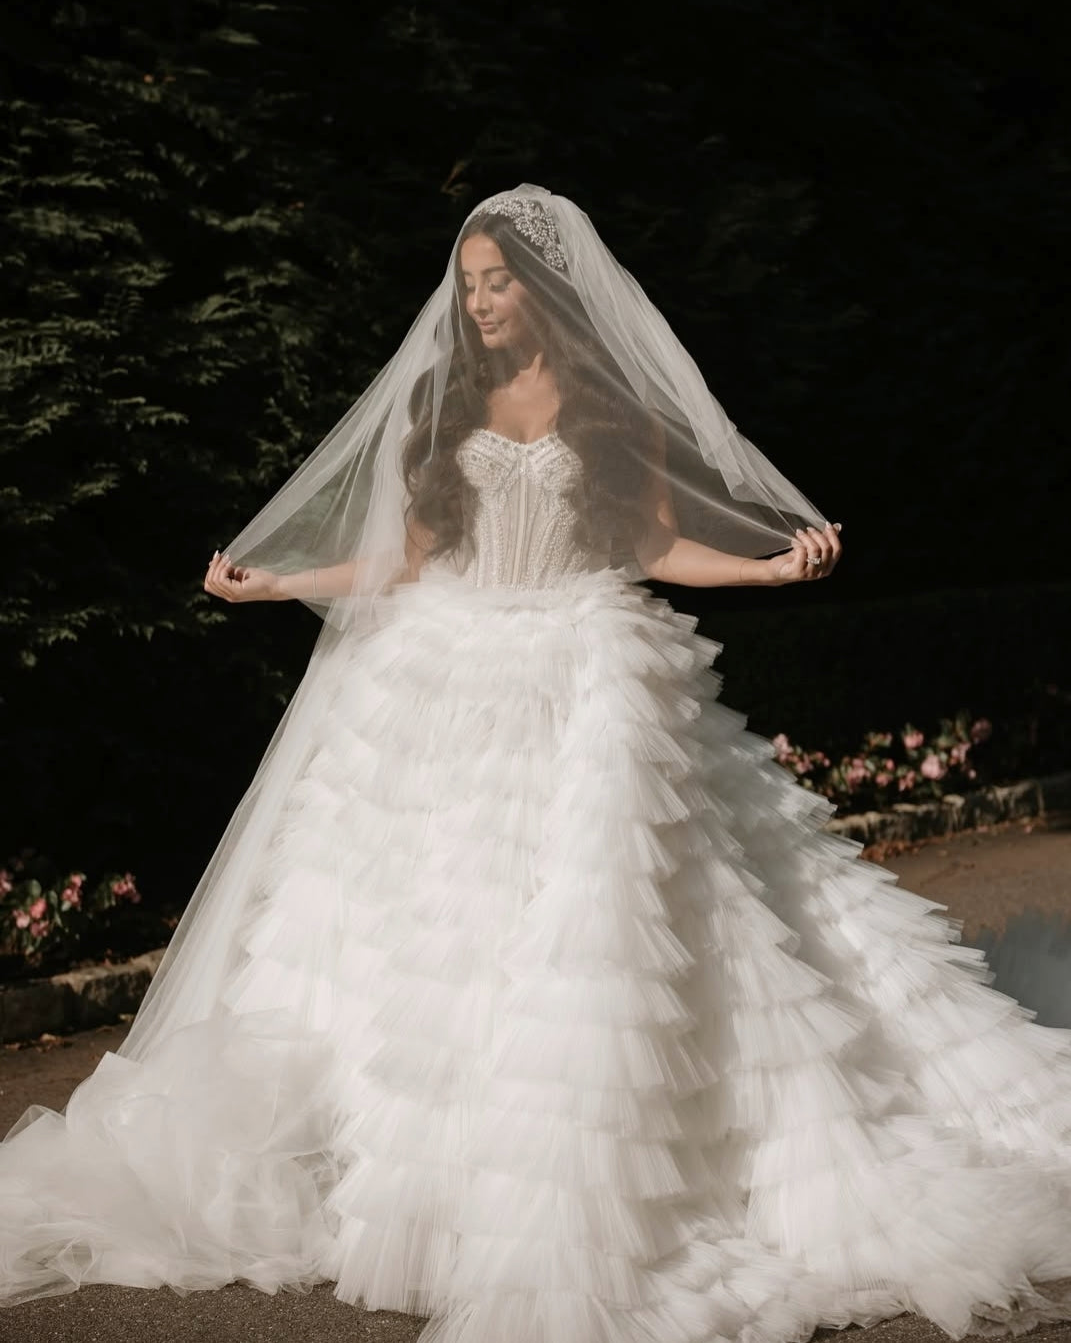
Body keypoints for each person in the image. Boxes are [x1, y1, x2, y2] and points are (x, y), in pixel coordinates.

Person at [2, 187, 1071, 1343]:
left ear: (544, 289)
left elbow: (653, 542)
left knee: (603, 907)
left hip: (584, 667)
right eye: (467, 284)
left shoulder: (610, 412)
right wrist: (280, 586)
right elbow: (406, 561)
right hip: (446, 673)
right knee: (416, 919)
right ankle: (395, 1169)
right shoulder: (445, 404)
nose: (477, 302)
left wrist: (767, 571)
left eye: (496, 281)